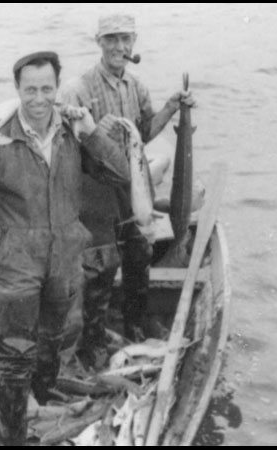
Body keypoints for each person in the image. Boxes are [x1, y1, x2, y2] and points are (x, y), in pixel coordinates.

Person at [0, 51, 130, 445]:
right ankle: (13, 439)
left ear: (57, 87)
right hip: (16, 266)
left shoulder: (72, 133)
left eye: (47, 89)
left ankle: (36, 405)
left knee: (50, 350)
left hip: (64, 263)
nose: (39, 99)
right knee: (13, 360)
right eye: (30, 90)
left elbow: (119, 173)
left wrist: (93, 132)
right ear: (17, 89)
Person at [58, 14, 196, 366]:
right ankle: (93, 343)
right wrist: (92, 132)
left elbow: (145, 130)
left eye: (126, 39)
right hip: (97, 192)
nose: (120, 47)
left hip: (134, 185)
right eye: (112, 39)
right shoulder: (79, 88)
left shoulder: (136, 86)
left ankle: (135, 325)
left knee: (139, 255)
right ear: (99, 42)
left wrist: (172, 106)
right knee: (100, 268)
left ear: (134, 43)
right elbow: (65, 146)